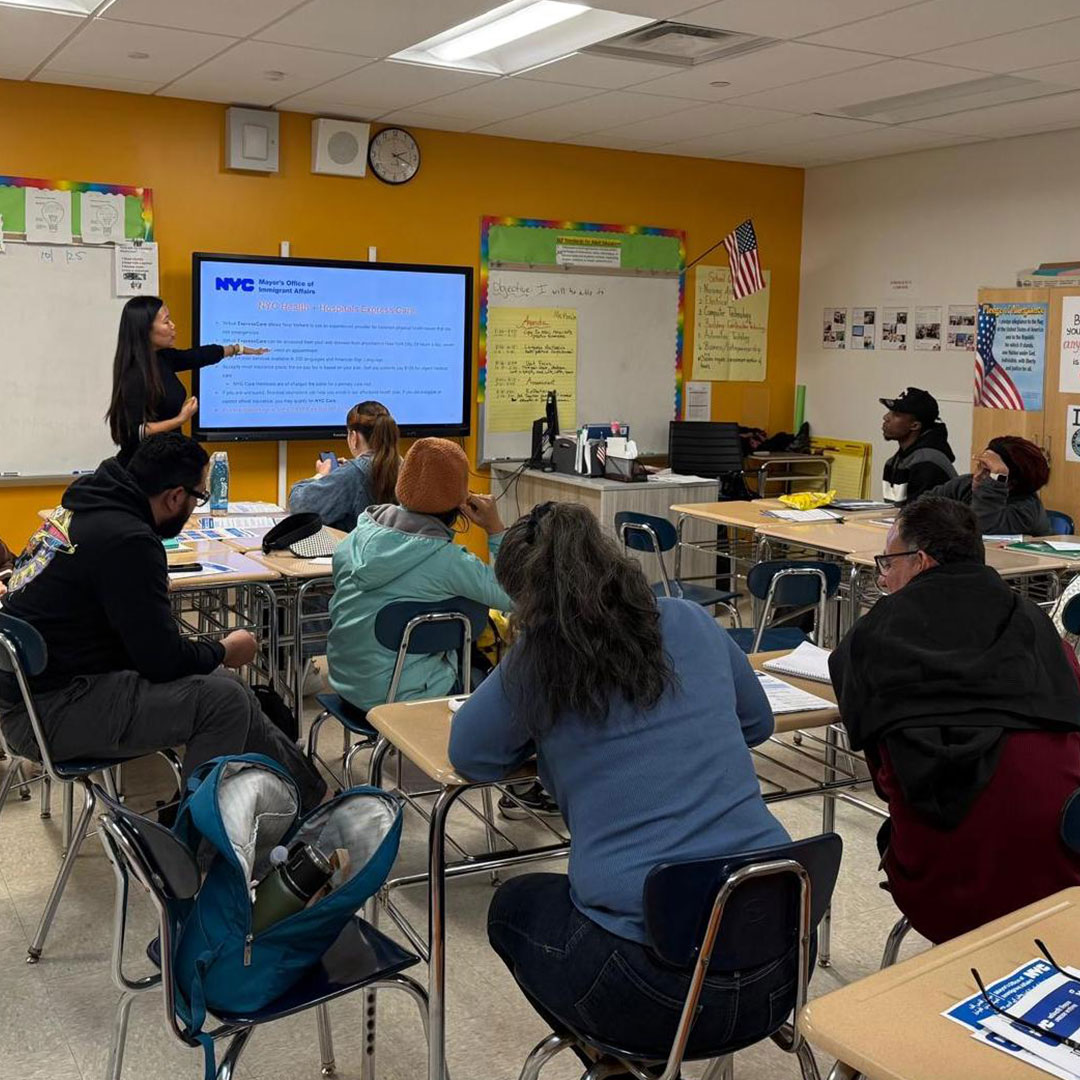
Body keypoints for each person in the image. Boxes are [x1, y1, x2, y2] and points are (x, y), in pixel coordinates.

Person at [449, 502, 795, 1062]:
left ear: (525, 598)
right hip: (778, 966)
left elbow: (470, 755)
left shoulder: (540, 658)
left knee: (513, 906)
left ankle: (609, 1062)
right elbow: (757, 722)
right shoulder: (688, 620)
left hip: (651, 994)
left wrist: (553, 748)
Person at [0, 433, 325, 810]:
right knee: (226, 699)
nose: (194, 504)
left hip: (33, 694)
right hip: (48, 712)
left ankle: (310, 798)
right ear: (173, 496)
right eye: (198, 496)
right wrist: (224, 648)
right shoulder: (128, 540)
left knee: (223, 687)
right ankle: (195, 846)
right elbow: (161, 660)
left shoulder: (84, 506)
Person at [830, 497, 1080, 943]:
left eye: (887, 562)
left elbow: (886, 780)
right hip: (1064, 860)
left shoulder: (871, 638)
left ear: (920, 561)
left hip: (947, 874)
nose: (883, 577)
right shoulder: (1035, 624)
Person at [327, 437, 511, 712]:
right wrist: (496, 530)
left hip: (346, 687)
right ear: (462, 501)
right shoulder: (448, 562)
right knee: (490, 677)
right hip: (403, 697)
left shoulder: (356, 536)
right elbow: (517, 596)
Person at [105, 296, 268, 465]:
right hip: (144, 471)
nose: (173, 326)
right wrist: (180, 419)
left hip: (165, 460)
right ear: (145, 329)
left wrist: (238, 349)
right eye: (166, 321)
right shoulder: (134, 373)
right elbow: (134, 432)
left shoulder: (161, 358)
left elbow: (198, 356)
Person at [288, 401, 400, 532]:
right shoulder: (404, 465)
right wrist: (348, 470)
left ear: (354, 437)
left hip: (357, 550)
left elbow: (299, 506)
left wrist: (321, 475)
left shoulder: (354, 474)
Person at [923, 434, 1052, 535]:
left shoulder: (1027, 510)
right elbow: (920, 507)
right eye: (979, 466)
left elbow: (980, 529)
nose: (977, 476)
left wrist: (995, 483)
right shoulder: (965, 484)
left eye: (989, 472)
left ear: (1011, 482)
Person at [879, 387, 956, 504]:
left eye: (896, 414)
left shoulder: (927, 462)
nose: (886, 418)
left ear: (914, 425)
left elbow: (921, 517)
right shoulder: (894, 462)